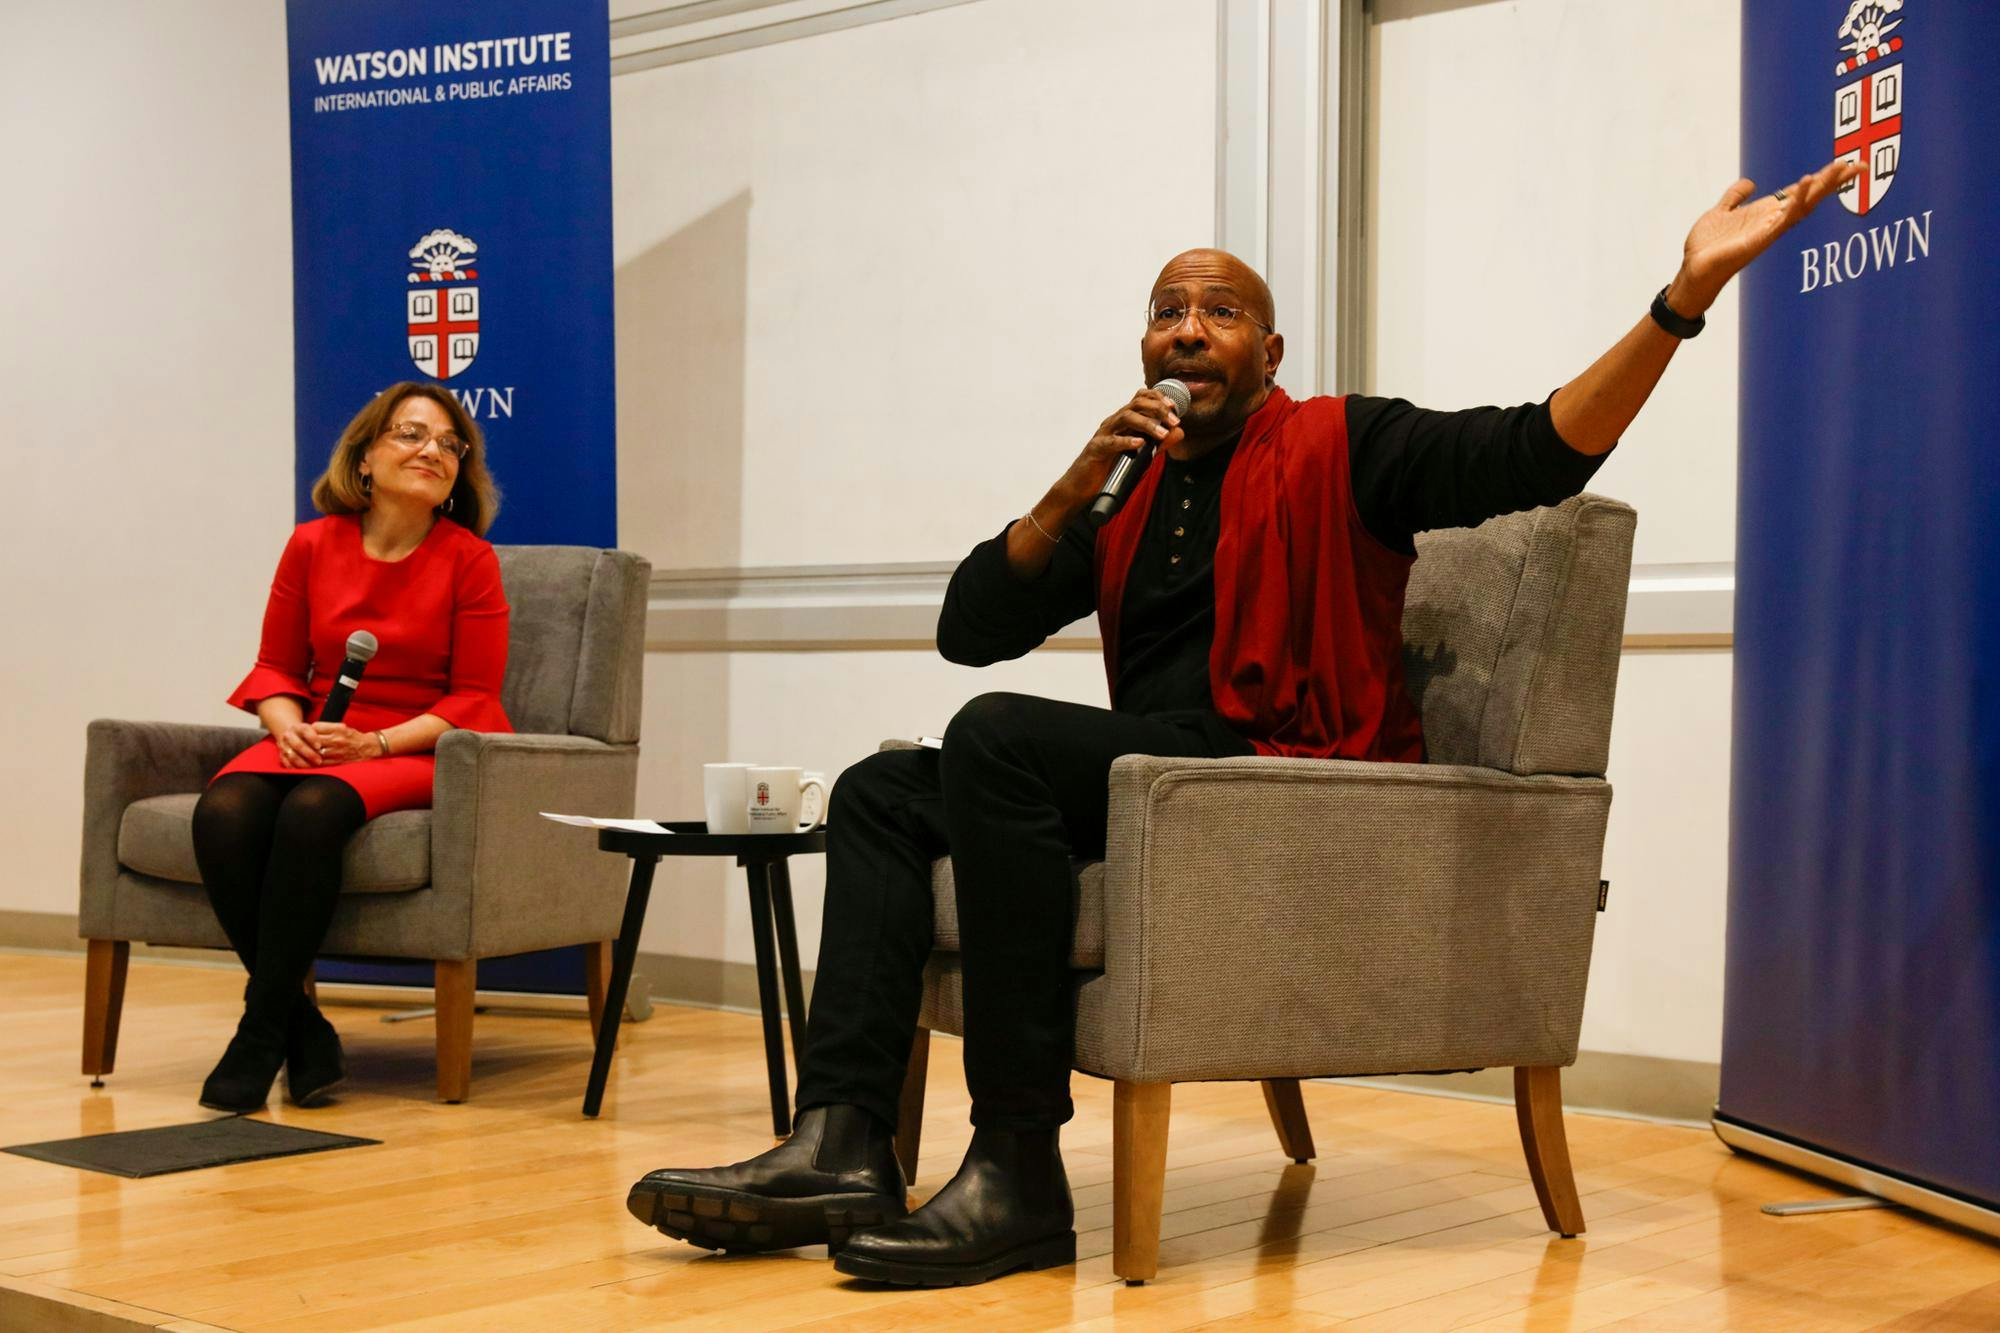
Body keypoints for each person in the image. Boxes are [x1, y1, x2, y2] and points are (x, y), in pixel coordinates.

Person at [628, 159, 1860, 1286]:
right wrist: (1070, 488)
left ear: (1266, 352)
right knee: (878, 790)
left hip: (1277, 768)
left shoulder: (1343, 441)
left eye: (1216, 313)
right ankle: (843, 1139)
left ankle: (1016, 1167)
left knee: (998, 733)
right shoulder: (1128, 479)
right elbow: (969, 623)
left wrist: (1678, 300)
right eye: (1168, 309)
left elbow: (1536, 450)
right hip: (1155, 776)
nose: (1185, 330)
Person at [189, 383, 512, 1113]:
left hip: (411, 743)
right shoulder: (312, 543)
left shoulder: (469, 560)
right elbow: (274, 667)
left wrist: (375, 742)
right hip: (320, 733)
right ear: (365, 457)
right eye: (410, 434)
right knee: (225, 809)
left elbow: (473, 699)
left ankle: (257, 1031)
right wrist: (285, 724)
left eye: (450, 443)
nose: (433, 449)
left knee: (311, 810)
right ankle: (300, 1028)